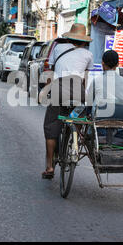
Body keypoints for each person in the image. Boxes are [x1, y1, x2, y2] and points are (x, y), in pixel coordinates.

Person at [42, 23, 93, 179]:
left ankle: (50, 167)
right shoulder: (88, 55)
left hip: (58, 89)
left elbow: (50, 72)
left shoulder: (57, 48)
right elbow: (84, 79)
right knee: (78, 118)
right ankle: (75, 141)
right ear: (84, 41)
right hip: (78, 91)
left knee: (51, 127)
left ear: (69, 37)